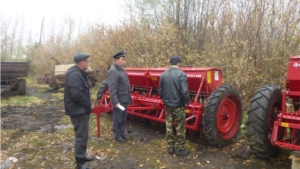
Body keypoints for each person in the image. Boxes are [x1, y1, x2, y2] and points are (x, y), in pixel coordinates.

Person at [64, 52, 94, 169]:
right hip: (78, 110)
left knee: (83, 135)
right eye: (88, 61)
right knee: (81, 136)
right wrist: (88, 105)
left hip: (80, 109)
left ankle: (82, 156)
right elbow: (77, 94)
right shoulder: (74, 75)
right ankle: (80, 163)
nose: (88, 63)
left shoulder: (78, 73)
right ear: (82, 62)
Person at [158, 55, 190, 156]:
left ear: (170, 63)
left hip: (168, 105)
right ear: (178, 63)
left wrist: (165, 100)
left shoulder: (163, 75)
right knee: (180, 127)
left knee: (169, 126)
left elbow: (160, 91)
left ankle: (170, 147)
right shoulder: (182, 75)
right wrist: (186, 102)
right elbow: (184, 91)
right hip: (178, 105)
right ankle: (180, 149)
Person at [108, 50, 132, 142]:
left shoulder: (121, 69)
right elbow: (112, 88)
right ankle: (117, 135)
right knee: (118, 118)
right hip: (119, 101)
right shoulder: (113, 71)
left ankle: (122, 133)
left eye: (124, 59)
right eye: (122, 59)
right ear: (117, 60)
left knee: (123, 118)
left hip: (124, 99)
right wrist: (115, 102)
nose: (124, 61)